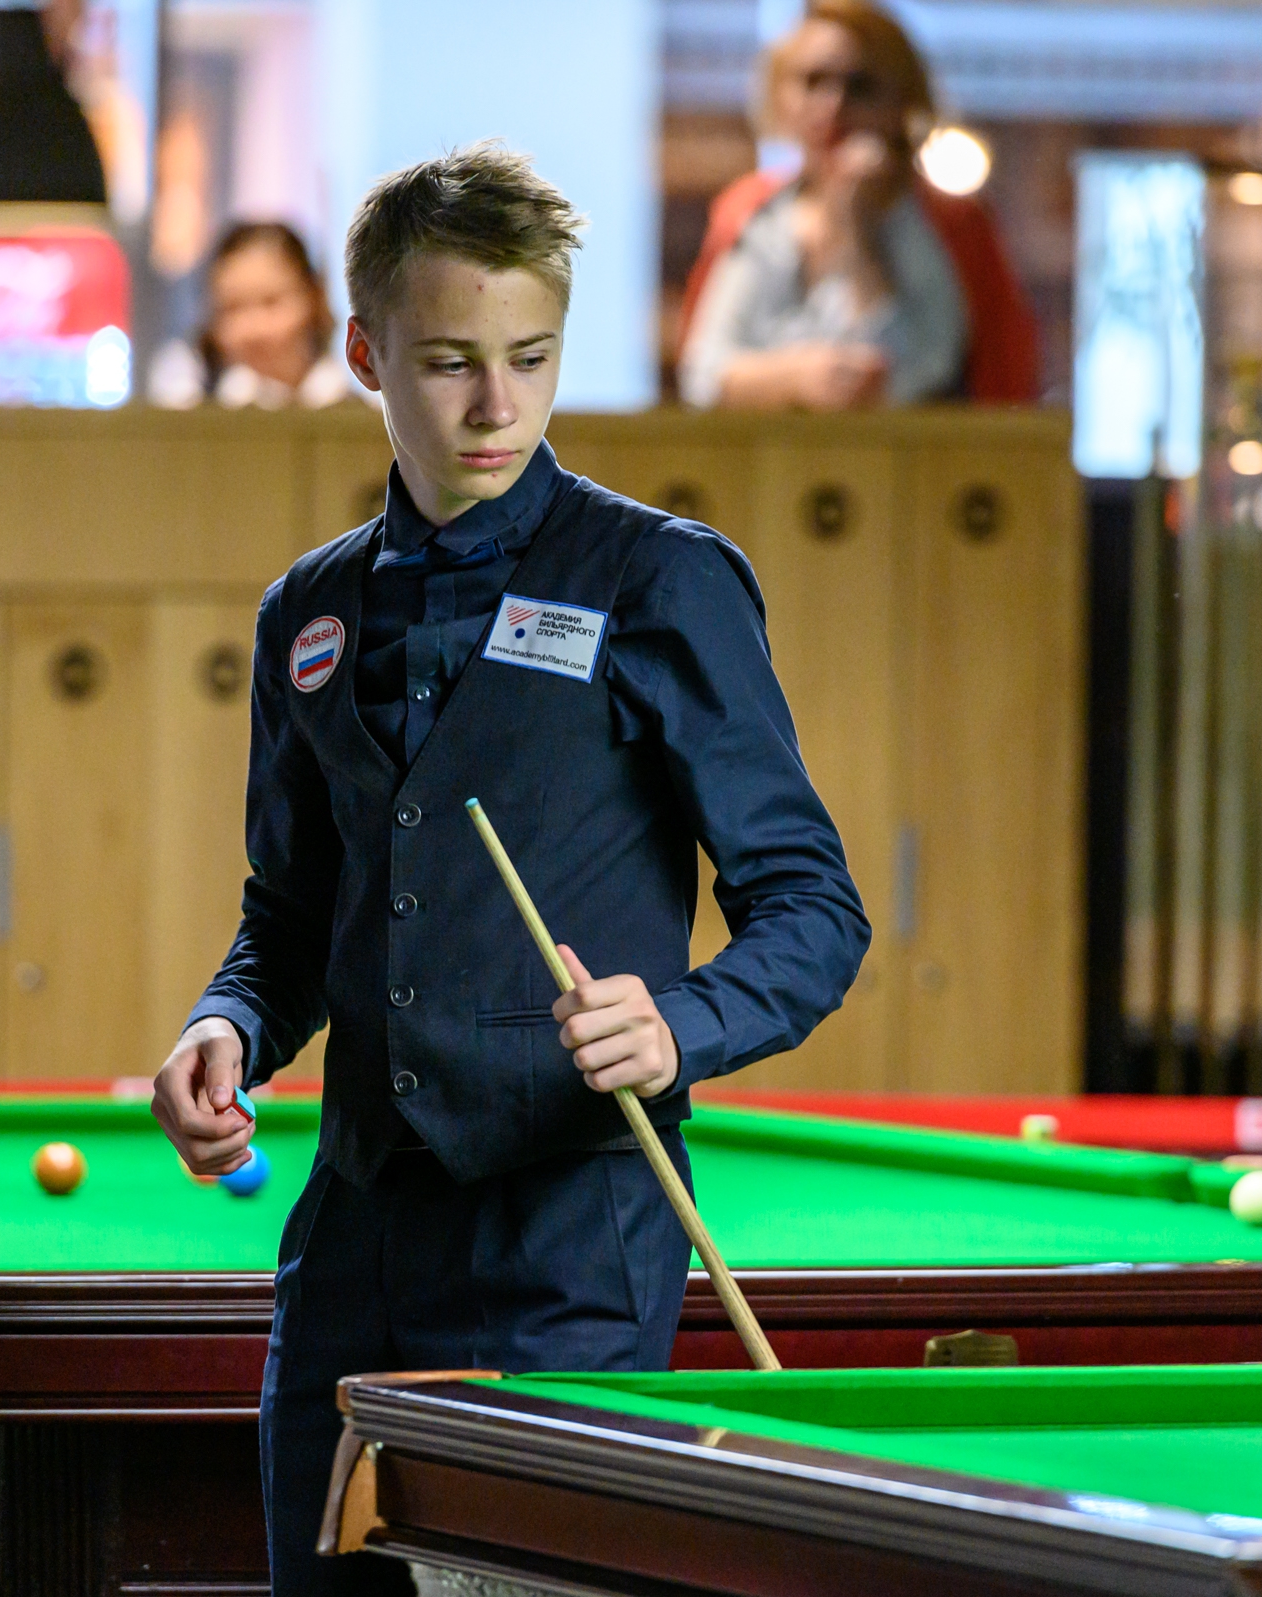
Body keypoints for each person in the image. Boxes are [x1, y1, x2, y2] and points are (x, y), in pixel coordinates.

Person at [149, 144, 869, 1596]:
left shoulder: (661, 579)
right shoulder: (309, 613)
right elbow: (291, 917)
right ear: (366, 355)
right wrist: (226, 1025)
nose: (496, 406)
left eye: (530, 359)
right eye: (450, 363)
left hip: (571, 1242)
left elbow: (814, 908)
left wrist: (682, 1023)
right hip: (352, 1239)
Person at [675, 0, 1037, 409]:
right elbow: (703, 373)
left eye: (860, 87)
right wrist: (796, 377)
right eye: (813, 82)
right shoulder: (753, 211)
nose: (834, 106)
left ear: (901, 102)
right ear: (781, 95)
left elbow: (918, 372)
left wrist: (853, 228)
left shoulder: (949, 222)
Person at [148, 221, 357, 409]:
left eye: (271, 302)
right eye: (232, 308)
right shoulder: (187, 410)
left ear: (314, 300)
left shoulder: (358, 412)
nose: (254, 329)